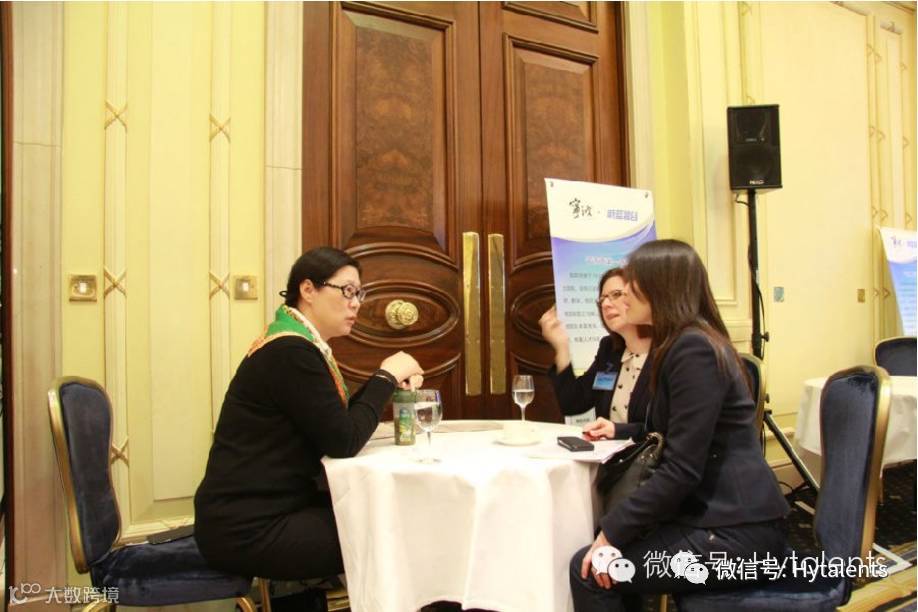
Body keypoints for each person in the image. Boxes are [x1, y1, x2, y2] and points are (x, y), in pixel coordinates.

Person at [569, 240, 789, 611]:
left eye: (632, 286)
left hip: (736, 533)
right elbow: (670, 430)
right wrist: (620, 431)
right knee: (608, 545)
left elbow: (682, 469)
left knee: (589, 568)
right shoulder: (682, 343)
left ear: (661, 288)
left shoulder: (693, 349)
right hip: (716, 519)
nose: (623, 297)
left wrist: (612, 532)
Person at [194, 247, 424, 581]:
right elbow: (344, 441)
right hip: (250, 528)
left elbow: (337, 422)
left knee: (388, 514)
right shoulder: (290, 351)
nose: (356, 303)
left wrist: (385, 383)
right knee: (398, 529)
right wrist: (386, 376)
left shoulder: (296, 345)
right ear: (308, 290)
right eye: (347, 291)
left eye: (359, 294)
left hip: (264, 511)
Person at [539, 268, 651, 440]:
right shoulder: (610, 349)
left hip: (650, 455)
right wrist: (562, 348)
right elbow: (573, 403)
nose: (606, 304)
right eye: (602, 299)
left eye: (616, 294)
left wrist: (618, 431)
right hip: (608, 454)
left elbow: (667, 428)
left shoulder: (669, 353)